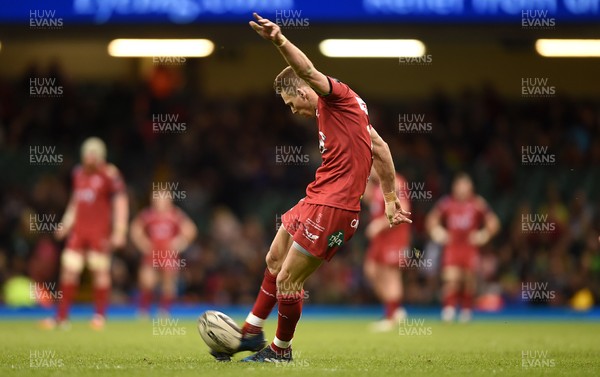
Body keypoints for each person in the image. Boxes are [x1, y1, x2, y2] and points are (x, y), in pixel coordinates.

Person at [211, 13, 412, 363]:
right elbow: (379, 148)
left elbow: (305, 70)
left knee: (289, 279)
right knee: (274, 257)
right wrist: (391, 197)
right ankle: (250, 332)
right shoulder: (340, 115)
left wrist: (278, 40)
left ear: (304, 91)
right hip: (317, 196)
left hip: (336, 206)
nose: (293, 111)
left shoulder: (336, 97)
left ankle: (280, 351)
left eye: (292, 103)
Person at [42, 137, 128, 330]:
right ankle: (61, 318)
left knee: (100, 271)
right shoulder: (78, 173)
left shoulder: (110, 174)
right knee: (68, 270)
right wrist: (65, 224)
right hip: (79, 231)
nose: (88, 158)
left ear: (99, 156)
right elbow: (75, 201)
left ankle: (99, 317)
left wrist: (120, 230)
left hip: (99, 232)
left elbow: (120, 202)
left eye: (92, 154)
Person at [425, 173, 499, 323]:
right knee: (451, 278)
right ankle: (449, 310)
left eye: (465, 186)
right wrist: (438, 232)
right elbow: (431, 220)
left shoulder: (477, 203)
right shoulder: (446, 203)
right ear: (454, 187)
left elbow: (494, 222)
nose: (462, 189)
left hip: (469, 248)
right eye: (459, 186)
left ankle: (466, 310)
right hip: (452, 247)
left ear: (471, 188)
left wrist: (483, 234)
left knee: (468, 280)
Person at [130, 191, 197, 317]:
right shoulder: (149, 214)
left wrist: (180, 242)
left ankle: (164, 311)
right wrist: (143, 243)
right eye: (157, 199)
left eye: (163, 199)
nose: (160, 202)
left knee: (168, 283)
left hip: (168, 254)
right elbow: (135, 228)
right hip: (152, 254)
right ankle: (143, 311)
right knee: (146, 281)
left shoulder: (175, 214)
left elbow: (190, 229)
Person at [363, 172, 411, 332]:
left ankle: (390, 316)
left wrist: (379, 224)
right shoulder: (377, 186)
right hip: (380, 239)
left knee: (391, 275)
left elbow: (403, 209)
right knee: (371, 270)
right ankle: (396, 310)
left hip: (394, 236)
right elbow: (368, 200)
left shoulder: (396, 182)